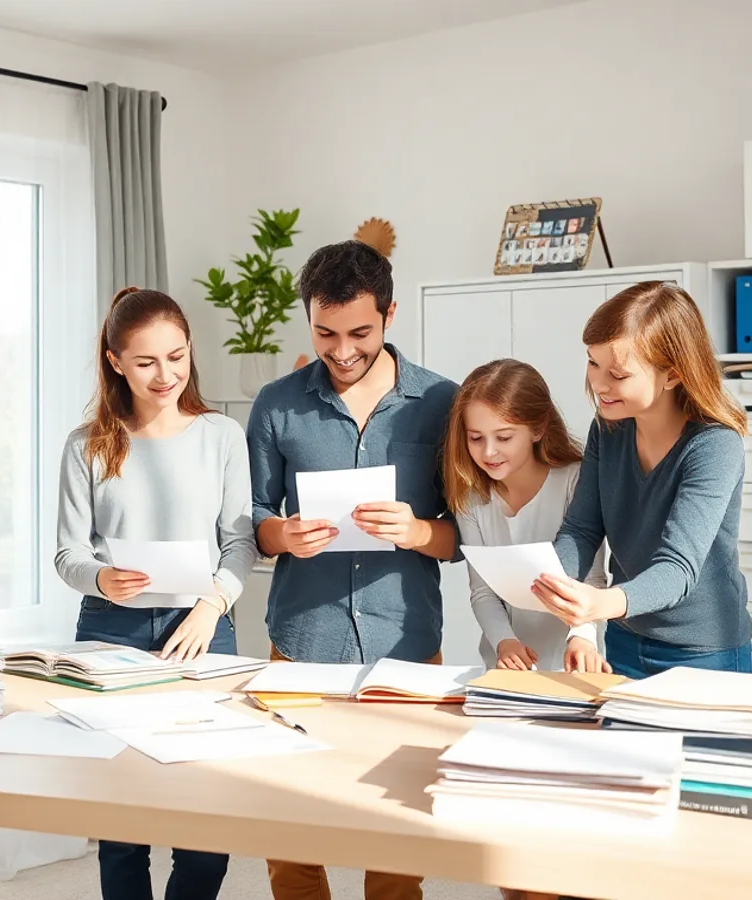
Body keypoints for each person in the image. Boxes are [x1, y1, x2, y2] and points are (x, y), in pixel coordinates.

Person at [247, 239, 458, 900]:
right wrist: (281, 533)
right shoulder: (277, 404)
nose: (342, 350)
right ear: (308, 318)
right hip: (302, 644)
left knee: (396, 831)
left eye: (360, 332)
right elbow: (249, 517)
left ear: (390, 315)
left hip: (408, 644)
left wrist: (419, 530)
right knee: (290, 827)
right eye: (325, 332)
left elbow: (464, 536)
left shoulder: (444, 402)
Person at [54, 286, 255, 900]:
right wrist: (101, 578)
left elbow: (239, 542)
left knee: (205, 811)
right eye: (146, 362)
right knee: (122, 815)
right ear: (115, 362)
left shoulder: (221, 435)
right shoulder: (87, 444)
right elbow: (68, 554)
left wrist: (210, 606)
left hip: (202, 630)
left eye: (177, 356)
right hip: (110, 630)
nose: (165, 374)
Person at [532, 281, 752, 679]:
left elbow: (677, 568)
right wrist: (547, 578)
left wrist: (599, 603)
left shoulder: (714, 445)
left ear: (672, 375)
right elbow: (582, 528)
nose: (599, 385)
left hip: (703, 652)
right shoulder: (609, 428)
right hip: (625, 637)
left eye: (617, 374)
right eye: (592, 362)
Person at [443, 359, 611, 674]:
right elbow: (483, 591)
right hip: (505, 667)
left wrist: (583, 636)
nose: (488, 452)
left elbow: (592, 580)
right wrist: (504, 642)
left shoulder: (575, 481)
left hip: (573, 665)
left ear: (538, 429)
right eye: (476, 438)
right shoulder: (471, 500)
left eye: (504, 437)